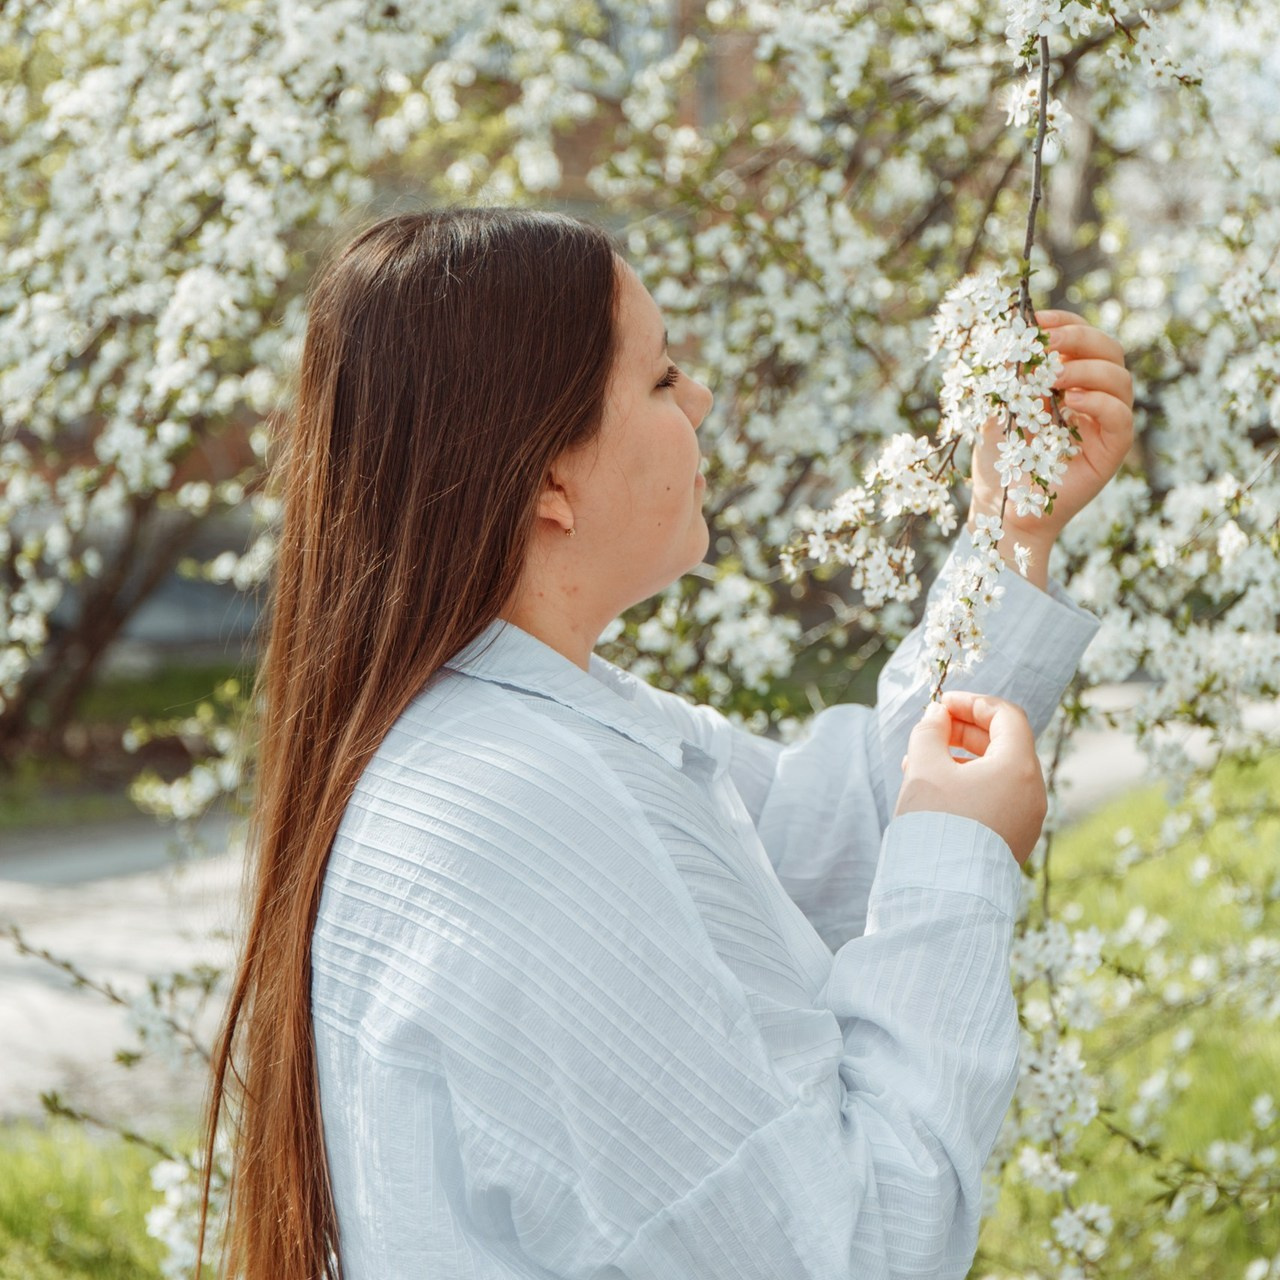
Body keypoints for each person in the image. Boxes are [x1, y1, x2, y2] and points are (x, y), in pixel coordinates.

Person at [198, 206, 1134, 1280]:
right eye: (659, 378)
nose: (699, 400)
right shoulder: (518, 810)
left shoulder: (527, 727)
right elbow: (855, 1244)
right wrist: (956, 865)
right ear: (548, 476)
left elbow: (817, 831)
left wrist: (1006, 528)